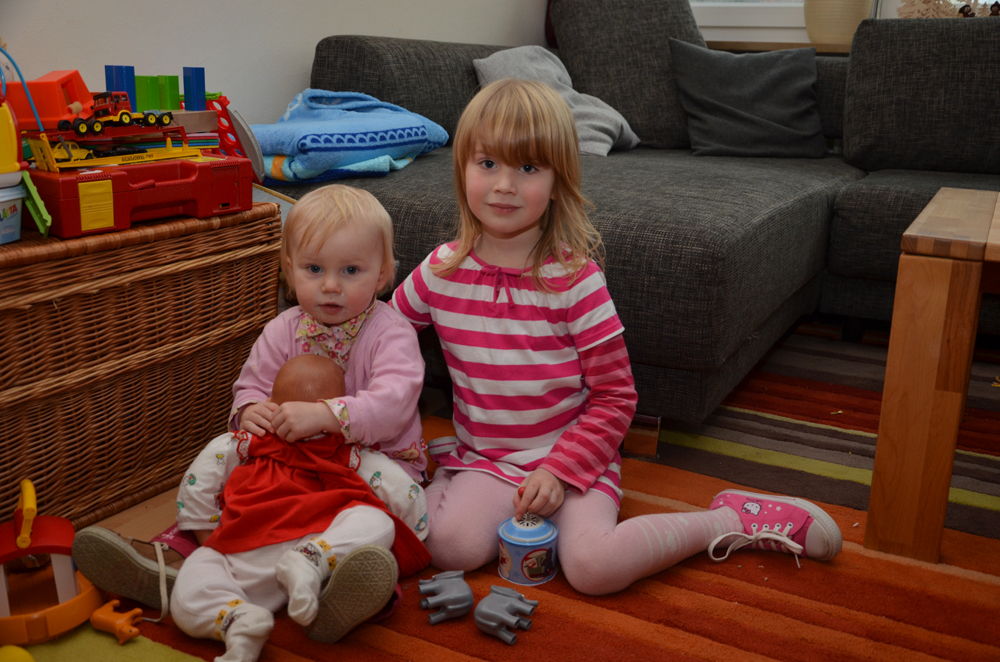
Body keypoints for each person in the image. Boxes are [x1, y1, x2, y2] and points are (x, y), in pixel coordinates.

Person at [390, 78, 843, 596]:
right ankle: (448, 471)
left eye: (529, 168)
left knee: (594, 568)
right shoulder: (440, 271)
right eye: (488, 163)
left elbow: (615, 397)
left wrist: (560, 472)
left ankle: (730, 520)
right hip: (488, 461)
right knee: (450, 547)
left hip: (575, 457)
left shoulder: (576, 281)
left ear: (558, 182)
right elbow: (382, 337)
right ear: (461, 169)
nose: (504, 185)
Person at [74, 185, 430, 655]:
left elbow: (395, 400)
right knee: (230, 492)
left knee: (374, 527)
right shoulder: (282, 329)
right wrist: (251, 411)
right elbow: (250, 387)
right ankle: (187, 557)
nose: (330, 285)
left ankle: (340, 584)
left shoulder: (390, 332)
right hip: (282, 473)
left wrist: (327, 415)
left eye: (350, 271)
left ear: (383, 274)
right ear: (288, 269)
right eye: (314, 269)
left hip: (366, 467)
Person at [169, 352, 429, 662]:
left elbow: (199, 479)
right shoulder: (347, 453)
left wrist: (205, 532)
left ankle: (238, 620)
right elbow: (402, 490)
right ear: (338, 412)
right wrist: (417, 530)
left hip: (240, 556)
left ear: (270, 403)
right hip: (317, 544)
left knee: (190, 586)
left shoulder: (244, 443)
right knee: (377, 520)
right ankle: (312, 564)